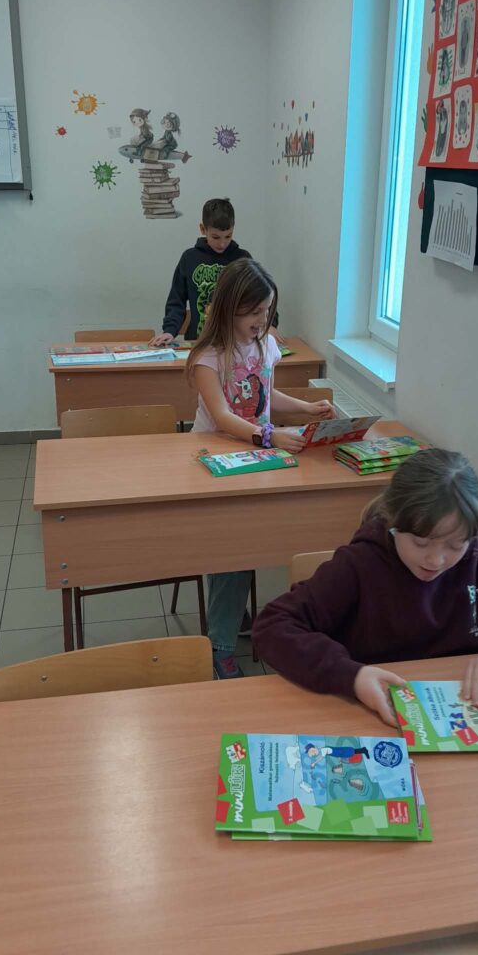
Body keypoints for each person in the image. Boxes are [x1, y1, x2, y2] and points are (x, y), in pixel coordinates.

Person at [252, 449, 478, 723]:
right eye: (420, 542)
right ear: (394, 524)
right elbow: (273, 625)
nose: (435, 560)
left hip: (460, 712)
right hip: (369, 712)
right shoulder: (359, 565)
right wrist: (352, 675)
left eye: (455, 545)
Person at [186, 258, 334, 679]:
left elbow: (267, 394)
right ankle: (219, 645)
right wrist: (268, 435)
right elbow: (222, 415)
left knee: (273, 534)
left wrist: (306, 407)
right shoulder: (209, 357)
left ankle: (240, 618)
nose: (261, 320)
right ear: (228, 309)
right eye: (252, 312)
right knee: (232, 548)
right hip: (216, 456)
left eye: (266, 310)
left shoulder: (266, 344)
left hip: (258, 456)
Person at [152, 198, 278, 345]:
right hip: (199, 341)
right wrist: (169, 330)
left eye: (228, 236)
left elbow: (263, 296)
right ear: (203, 229)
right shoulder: (189, 258)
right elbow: (176, 300)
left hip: (235, 342)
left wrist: (270, 325)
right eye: (215, 237)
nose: (222, 243)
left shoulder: (242, 258)